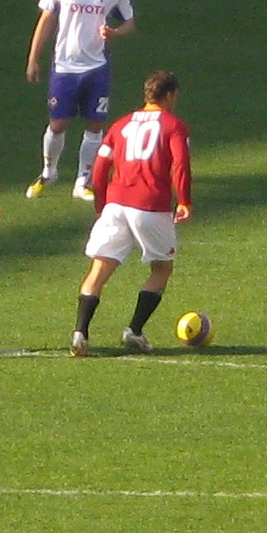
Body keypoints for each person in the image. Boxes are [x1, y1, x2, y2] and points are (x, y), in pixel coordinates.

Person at [70, 70, 192, 357]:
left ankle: (79, 333)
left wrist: (102, 204)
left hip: (115, 204)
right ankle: (134, 330)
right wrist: (184, 200)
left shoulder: (120, 125)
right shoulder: (174, 126)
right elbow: (180, 163)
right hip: (150, 206)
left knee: (99, 268)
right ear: (170, 95)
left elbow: (100, 168)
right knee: (161, 268)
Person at [25, 0, 136, 203]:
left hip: (96, 66)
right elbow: (46, 19)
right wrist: (33, 59)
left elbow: (129, 23)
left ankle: (82, 180)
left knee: (95, 125)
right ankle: (48, 172)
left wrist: (114, 33)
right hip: (65, 65)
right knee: (58, 123)